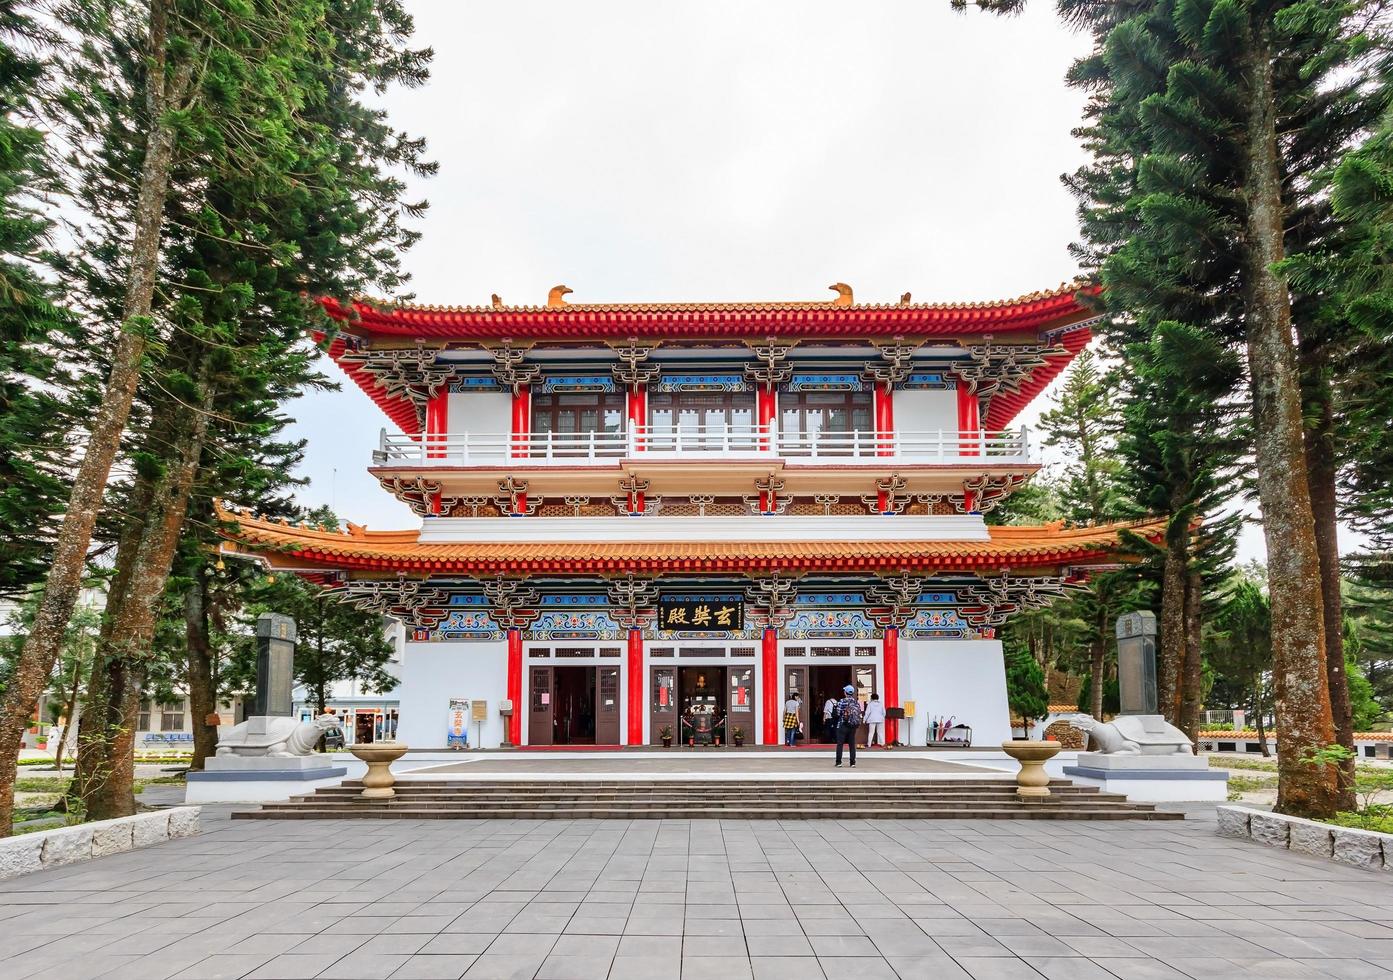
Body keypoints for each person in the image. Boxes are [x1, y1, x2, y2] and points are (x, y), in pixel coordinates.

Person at [834, 684, 862, 768]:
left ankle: (839, 762)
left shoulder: (842, 701)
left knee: (840, 744)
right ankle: (852, 763)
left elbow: (838, 713)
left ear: (845, 692)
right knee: (852, 745)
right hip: (853, 725)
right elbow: (859, 712)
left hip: (843, 724)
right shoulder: (856, 702)